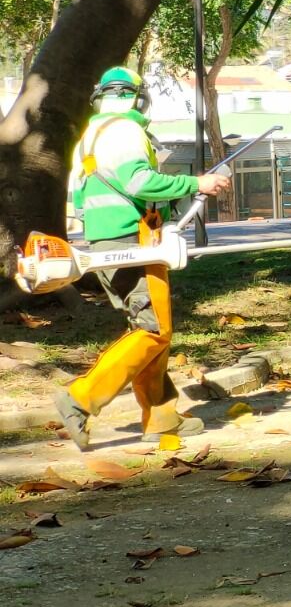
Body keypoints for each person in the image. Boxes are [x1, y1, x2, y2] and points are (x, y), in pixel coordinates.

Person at [53, 67, 231, 450]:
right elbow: (139, 182)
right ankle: (80, 397)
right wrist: (195, 183)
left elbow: (80, 201)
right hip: (133, 240)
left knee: (149, 327)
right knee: (152, 330)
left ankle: (161, 416)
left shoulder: (89, 138)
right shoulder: (126, 130)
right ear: (138, 98)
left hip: (105, 241)